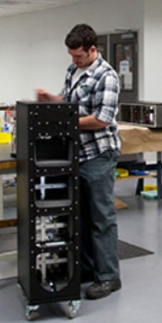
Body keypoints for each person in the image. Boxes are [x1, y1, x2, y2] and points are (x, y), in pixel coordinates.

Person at [37, 24, 122, 301]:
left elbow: (102, 119)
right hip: (78, 153)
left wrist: (65, 120)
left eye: (79, 56)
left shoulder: (107, 76)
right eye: (71, 56)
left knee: (101, 217)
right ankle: (87, 269)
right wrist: (52, 100)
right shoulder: (73, 70)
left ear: (92, 50)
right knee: (81, 215)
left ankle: (108, 277)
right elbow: (67, 99)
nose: (74, 60)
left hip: (98, 154)